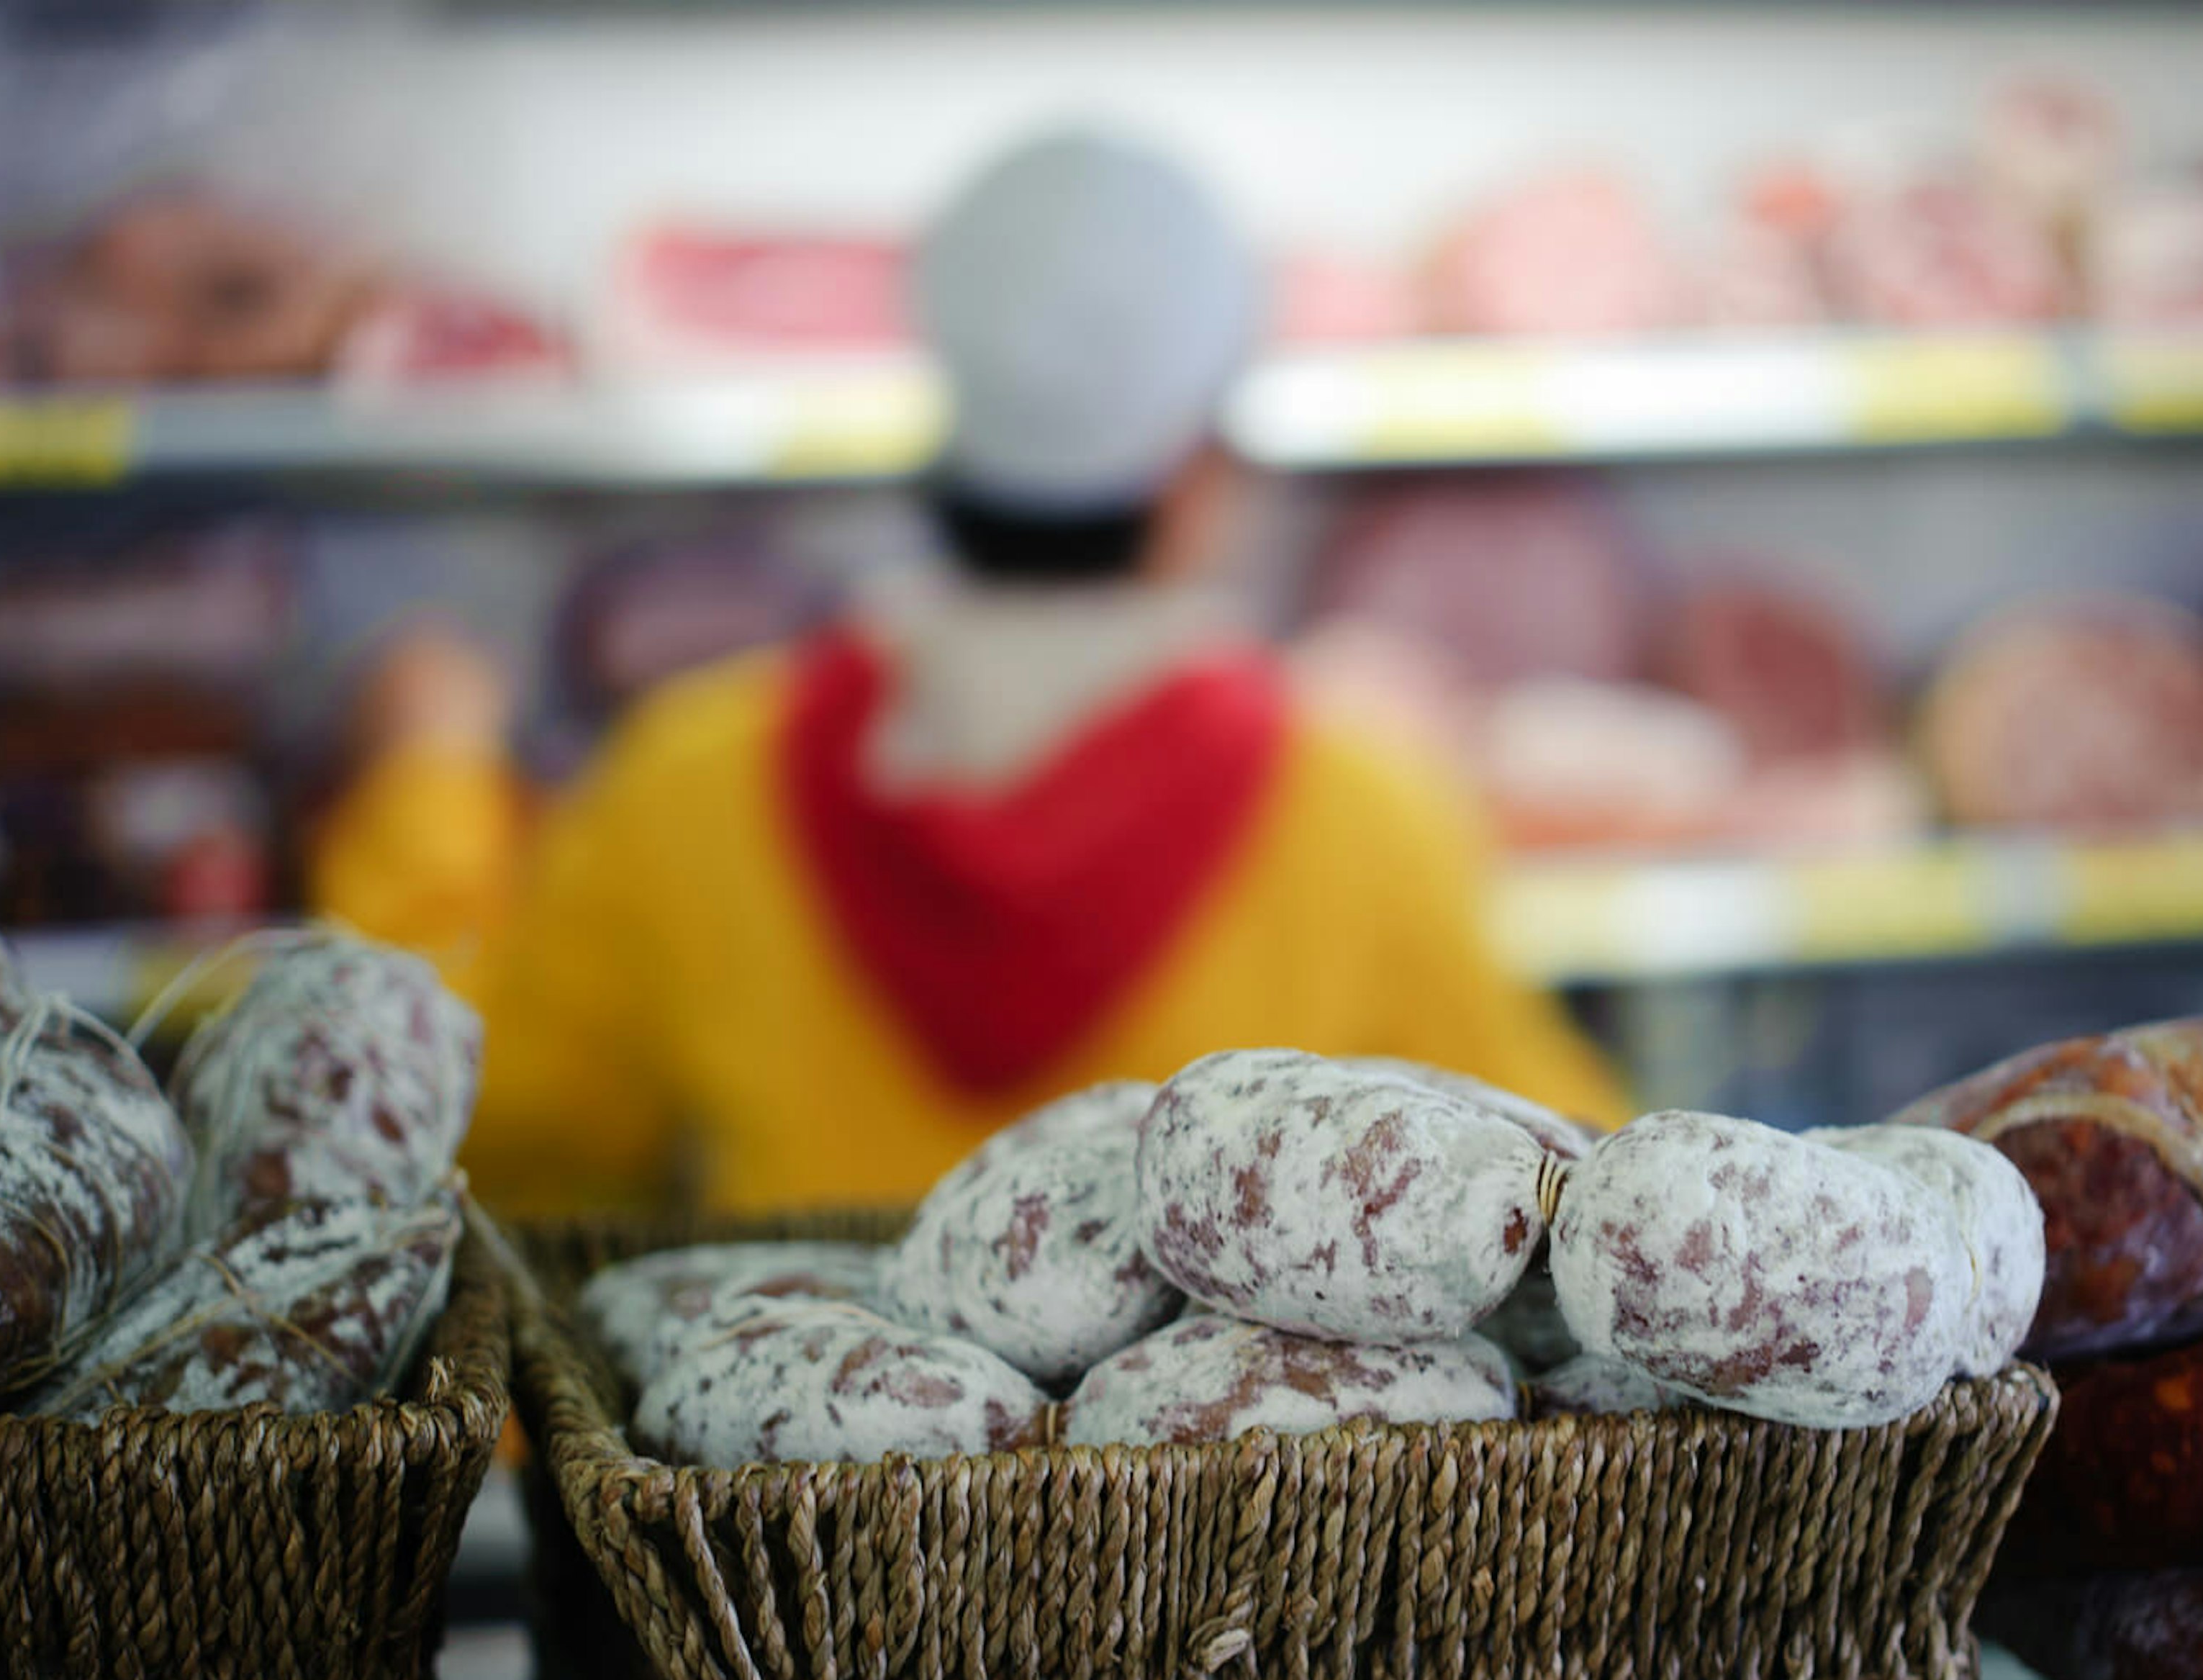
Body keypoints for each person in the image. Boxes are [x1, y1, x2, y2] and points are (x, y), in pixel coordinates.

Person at [312, 130, 1623, 1219]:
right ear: (1199, 480)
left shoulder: (691, 772)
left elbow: (476, 1117)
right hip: (1221, 1522)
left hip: (791, 1516)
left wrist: (429, 773)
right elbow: (1569, 1178)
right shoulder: (1356, 808)